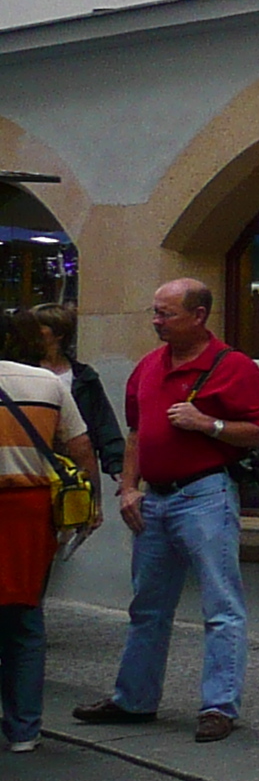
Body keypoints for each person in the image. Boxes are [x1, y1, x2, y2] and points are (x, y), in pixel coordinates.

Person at [73, 281, 259, 743]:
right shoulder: (148, 367)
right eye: (155, 313)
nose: (156, 322)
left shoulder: (233, 367)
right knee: (147, 605)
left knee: (221, 605)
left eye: (166, 314)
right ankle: (134, 698)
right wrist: (128, 487)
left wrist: (209, 424)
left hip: (204, 493)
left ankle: (218, 706)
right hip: (156, 498)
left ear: (199, 315)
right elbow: (138, 434)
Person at [1, 322, 98, 754]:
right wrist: (91, 504)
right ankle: (24, 729)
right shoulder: (47, 383)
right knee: (24, 619)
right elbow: (80, 448)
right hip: (30, 511)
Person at [27, 307, 123, 491]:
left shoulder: (84, 377)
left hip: (72, 468)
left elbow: (103, 423)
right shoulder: (23, 372)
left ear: (59, 333)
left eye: (39, 326)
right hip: (32, 465)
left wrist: (117, 466)